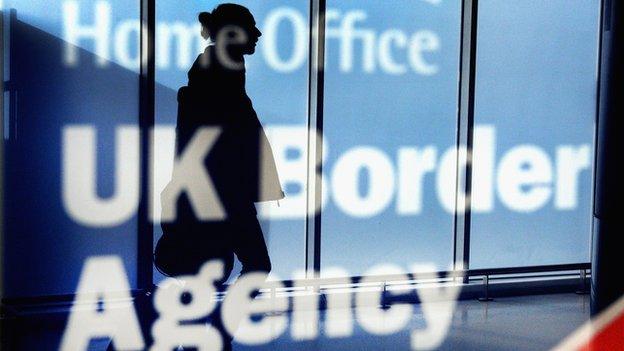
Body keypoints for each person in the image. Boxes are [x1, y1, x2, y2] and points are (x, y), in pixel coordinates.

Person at [152, 3, 284, 349]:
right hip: (223, 196)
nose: (257, 35)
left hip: (218, 195)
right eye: (250, 28)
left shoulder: (216, 75)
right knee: (250, 265)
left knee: (217, 272)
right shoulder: (218, 78)